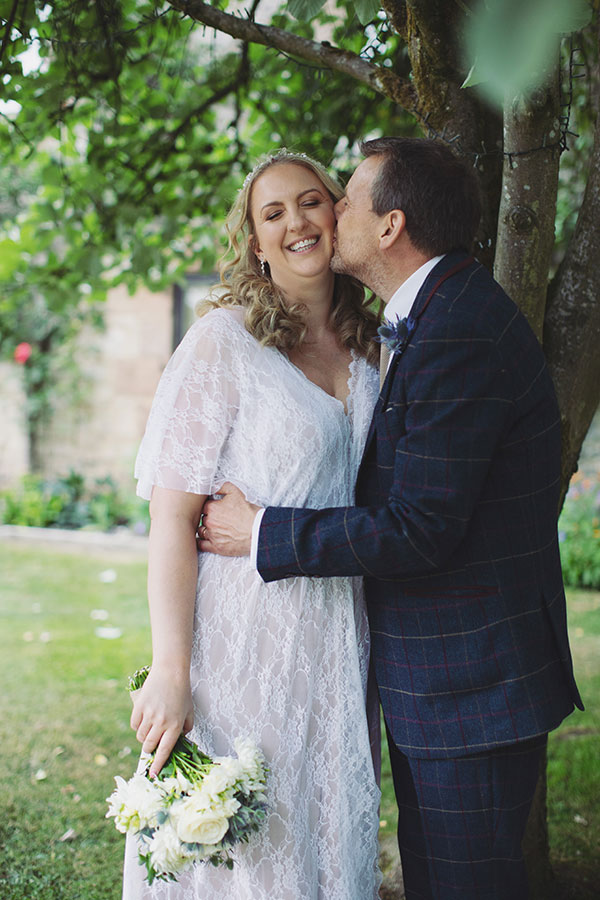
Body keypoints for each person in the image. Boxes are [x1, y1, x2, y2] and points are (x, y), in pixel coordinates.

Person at [199, 137, 584, 900]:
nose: (329, 214)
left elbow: (420, 525)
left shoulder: (457, 329)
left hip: (472, 686)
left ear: (390, 225)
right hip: (445, 681)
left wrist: (263, 530)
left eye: (343, 199)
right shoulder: (431, 315)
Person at [123, 149, 383, 900]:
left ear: (339, 213)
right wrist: (172, 670)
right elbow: (172, 518)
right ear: (257, 244)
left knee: (321, 834)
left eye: (311, 201)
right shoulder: (223, 343)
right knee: (244, 848)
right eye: (274, 213)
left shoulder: (377, 346)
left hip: (342, 635)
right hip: (243, 640)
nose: (297, 221)